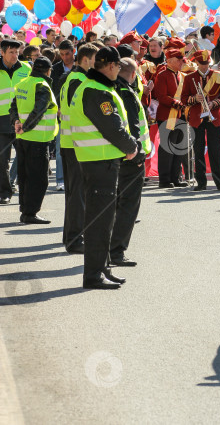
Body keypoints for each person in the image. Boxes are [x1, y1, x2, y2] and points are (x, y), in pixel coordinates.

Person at [70, 46, 138, 290]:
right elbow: (112, 127)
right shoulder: (97, 91)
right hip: (99, 162)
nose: (119, 70)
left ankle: (103, 269)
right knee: (99, 222)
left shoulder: (95, 87)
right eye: (118, 66)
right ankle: (94, 275)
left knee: (104, 220)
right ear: (110, 65)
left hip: (100, 160)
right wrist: (132, 147)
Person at [110, 57, 150, 267]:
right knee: (128, 206)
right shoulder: (127, 93)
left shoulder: (111, 90)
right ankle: (116, 251)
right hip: (131, 156)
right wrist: (136, 153)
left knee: (116, 203)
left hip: (114, 155)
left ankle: (111, 249)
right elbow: (133, 127)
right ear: (134, 75)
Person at [59, 44, 98, 253]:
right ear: (85, 60)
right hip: (75, 144)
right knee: (78, 195)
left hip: (70, 142)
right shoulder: (79, 80)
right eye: (95, 59)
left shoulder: (73, 78)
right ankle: (75, 239)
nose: (97, 63)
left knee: (75, 193)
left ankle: (70, 236)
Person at [11, 56, 58, 224]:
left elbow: (13, 107)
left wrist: (16, 122)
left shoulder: (23, 83)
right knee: (38, 178)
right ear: (48, 70)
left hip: (22, 138)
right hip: (38, 138)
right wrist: (26, 126)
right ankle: (30, 213)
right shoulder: (42, 86)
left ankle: (25, 210)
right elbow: (39, 110)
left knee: (24, 176)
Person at [181, 50, 220, 191]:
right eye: (201, 64)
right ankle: (201, 182)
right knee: (198, 150)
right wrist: (195, 98)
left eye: (206, 63)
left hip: (213, 118)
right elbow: (184, 99)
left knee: (216, 150)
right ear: (196, 62)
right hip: (196, 118)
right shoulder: (190, 78)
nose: (204, 66)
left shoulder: (218, 77)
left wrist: (214, 104)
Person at [0, 39, 31, 205]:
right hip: (2, 121)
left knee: (25, 159)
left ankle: (25, 194)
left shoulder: (26, 69)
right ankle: (5, 192)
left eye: (17, 52)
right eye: (11, 52)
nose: (15, 55)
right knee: (2, 161)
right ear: (2, 52)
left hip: (22, 121)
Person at [154, 48, 190, 190]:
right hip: (167, 115)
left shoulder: (181, 75)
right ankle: (164, 179)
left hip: (180, 115)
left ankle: (176, 178)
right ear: (170, 61)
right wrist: (177, 104)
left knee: (178, 148)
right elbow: (161, 96)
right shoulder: (162, 75)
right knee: (167, 148)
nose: (182, 62)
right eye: (179, 60)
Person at [51, 39, 75, 192]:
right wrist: (57, 107)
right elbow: (52, 90)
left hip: (78, 112)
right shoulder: (55, 69)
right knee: (60, 148)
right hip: (61, 114)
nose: (65, 57)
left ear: (73, 52)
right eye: (62, 54)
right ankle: (60, 179)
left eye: (67, 54)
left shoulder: (80, 67)